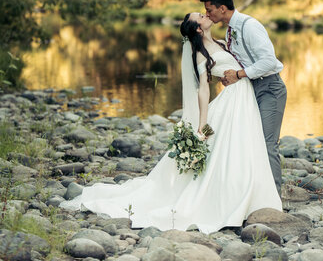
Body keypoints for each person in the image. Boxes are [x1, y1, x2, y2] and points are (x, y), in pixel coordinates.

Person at [61, 12, 282, 233]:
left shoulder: (223, 42)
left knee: (246, 148)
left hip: (245, 98)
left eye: (205, 12)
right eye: (201, 16)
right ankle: (236, 201)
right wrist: (202, 125)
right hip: (232, 103)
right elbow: (203, 90)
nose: (206, 15)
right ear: (197, 28)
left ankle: (252, 198)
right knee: (231, 150)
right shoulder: (201, 55)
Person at [200, 0, 287, 194]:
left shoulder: (249, 26)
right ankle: (251, 191)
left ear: (222, 9)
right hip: (248, 91)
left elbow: (268, 61)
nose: (208, 14)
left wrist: (239, 74)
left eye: (210, 10)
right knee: (248, 141)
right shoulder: (230, 30)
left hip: (269, 89)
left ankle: (273, 197)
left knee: (267, 144)